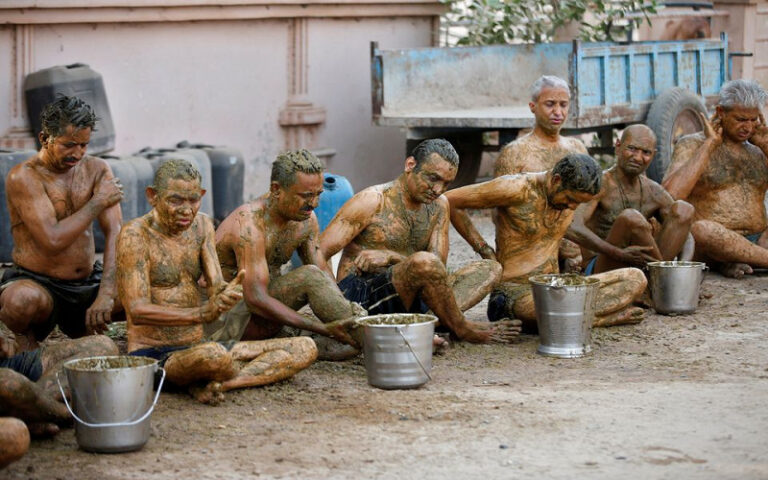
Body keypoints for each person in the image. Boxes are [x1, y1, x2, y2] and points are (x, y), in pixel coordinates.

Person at [117, 159, 317, 405]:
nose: (186, 210)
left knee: (305, 347)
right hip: (154, 355)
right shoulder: (134, 235)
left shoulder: (201, 225)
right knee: (215, 356)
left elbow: (214, 284)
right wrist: (200, 314)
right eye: (176, 200)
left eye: (193, 200)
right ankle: (208, 377)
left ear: (202, 195)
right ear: (152, 196)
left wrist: (225, 293)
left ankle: (224, 383)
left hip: (199, 345)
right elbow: (137, 310)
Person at [320, 139, 521, 344]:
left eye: (446, 183)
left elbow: (436, 268)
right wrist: (339, 310)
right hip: (363, 297)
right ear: (410, 165)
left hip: (413, 293)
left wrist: (390, 257)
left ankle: (419, 327)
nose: (438, 189)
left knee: (490, 269)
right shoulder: (373, 200)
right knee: (424, 264)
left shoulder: (439, 205)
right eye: (433, 178)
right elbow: (318, 252)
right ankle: (461, 329)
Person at [447, 153, 647, 333]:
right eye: (569, 199)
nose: (571, 207)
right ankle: (601, 320)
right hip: (514, 293)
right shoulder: (516, 188)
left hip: (556, 288)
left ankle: (576, 317)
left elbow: (575, 233)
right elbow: (450, 200)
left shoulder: (567, 200)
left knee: (635, 279)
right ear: (557, 180)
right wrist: (483, 249)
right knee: (549, 307)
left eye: (578, 204)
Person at [212, 150, 365, 360]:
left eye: (318, 194)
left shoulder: (305, 220)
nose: (314, 204)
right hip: (229, 323)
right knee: (308, 277)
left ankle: (363, 333)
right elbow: (255, 297)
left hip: (265, 316)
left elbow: (323, 274)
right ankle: (370, 339)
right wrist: (323, 328)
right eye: (306, 196)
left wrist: (345, 310)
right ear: (276, 189)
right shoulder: (249, 224)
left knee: (318, 280)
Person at [0, 95, 123, 355]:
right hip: (39, 284)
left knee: (145, 287)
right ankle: (26, 339)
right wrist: (97, 202)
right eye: (69, 145)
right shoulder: (24, 176)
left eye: (84, 145)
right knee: (19, 301)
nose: (77, 154)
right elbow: (52, 240)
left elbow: (115, 232)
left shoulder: (98, 170)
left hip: (88, 283)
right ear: (45, 138)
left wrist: (106, 294)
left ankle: (136, 342)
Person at [662, 79, 768, 278]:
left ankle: (747, 259)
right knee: (702, 230)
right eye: (741, 119)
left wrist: (765, 145)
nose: (748, 127)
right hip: (712, 242)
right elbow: (669, 196)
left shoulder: (758, 146)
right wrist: (709, 145)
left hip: (759, 239)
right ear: (721, 112)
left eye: (754, 120)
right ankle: (751, 260)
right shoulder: (692, 144)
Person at [568, 124, 695, 274]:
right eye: (632, 149)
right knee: (631, 218)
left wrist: (685, 267)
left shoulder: (653, 191)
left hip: (641, 265)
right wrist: (617, 253)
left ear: (653, 155)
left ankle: (660, 278)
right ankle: (660, 279)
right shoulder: (601, 184)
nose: (638, 158)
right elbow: (571, 227)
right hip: (602, 267)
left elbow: (685, 234)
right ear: (618, 147)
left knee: (684, 209)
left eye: (646, 152)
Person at [493, 75, 588, 272]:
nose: (558, 112)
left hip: (572, 250)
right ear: (533, 106)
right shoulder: (515, 153)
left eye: (563, 105)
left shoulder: (577, 149)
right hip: (529, 253)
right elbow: (498, 213)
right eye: (550, 104)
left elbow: (588, 203)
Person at [0, 335, 118, 468]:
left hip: (8, 367)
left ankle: (32, 410)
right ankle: (67, 414)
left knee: (101, 346)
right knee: (13, 432)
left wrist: (5, 342)